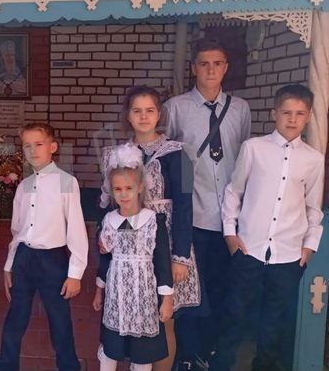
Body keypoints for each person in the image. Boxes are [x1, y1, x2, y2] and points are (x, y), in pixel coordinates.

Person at [209, 84, 324, 371]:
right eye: (286, 112)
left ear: (309, 116)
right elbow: (234, 192)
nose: (292, 119)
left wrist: (309, 246)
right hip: (249, 250)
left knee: (274, 325)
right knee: (234, 317)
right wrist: (230, 234)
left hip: (288, 255)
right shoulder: (254, 148)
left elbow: (313, 207)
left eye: (300, 113)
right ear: (274, 113)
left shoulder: (314, 159)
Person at [161, 37, 251, 370]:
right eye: (204, 64)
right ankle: (188, 354)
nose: (210, 70)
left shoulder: (240, 108)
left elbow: (242, 158)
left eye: (217, 63)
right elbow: (168, 156)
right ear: (193, 68)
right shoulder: (176, 107)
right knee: (190, 292)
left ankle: (212, 352)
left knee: (221, 285)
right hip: (192, 214)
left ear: (225, 68)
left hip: (229, 218)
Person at [94, 86, 197, 371]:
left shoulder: (181, 154)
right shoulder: (113, 155)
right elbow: (106, 204)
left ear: (159, 114)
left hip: (166, 245)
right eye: (136, 110)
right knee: (126, 317)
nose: (143, 116)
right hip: (128, 250)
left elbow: (186, 206)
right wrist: (103, 242)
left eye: (149, 110)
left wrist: (180, 257)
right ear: (128, 115)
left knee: (164, 320)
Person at [0, 122, 88, 371]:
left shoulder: (66, 182)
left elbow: (76, 229)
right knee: (16, 316)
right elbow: (17, 231)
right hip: (24, 258)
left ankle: (69, 366)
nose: (33, 150)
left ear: (52, 147)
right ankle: (6, 365)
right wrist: (9, 265)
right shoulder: (23, 186)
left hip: (53, 260)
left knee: (59, 320)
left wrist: (75, 273)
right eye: (27, 146)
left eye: (39, 144)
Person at [92, 143, 174, 371]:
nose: (123, 194)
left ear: (139, 188)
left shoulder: (153, 220)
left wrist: (167, 299)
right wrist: (99, 289)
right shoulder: (110, 220)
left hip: (144, 297)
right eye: (117, 189)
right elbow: (105, 259)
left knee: (142, 354)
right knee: (111, 347)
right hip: (116, 297)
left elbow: (162, 262)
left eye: (128, 188)